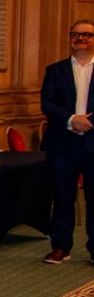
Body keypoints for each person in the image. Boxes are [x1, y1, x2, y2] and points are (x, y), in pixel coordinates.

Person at [40, 18, 94, 264]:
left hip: (93, 142)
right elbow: (47, 104)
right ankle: (60, 246)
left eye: (86, 34)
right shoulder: (55, 70)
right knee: (62, 197)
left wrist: (87, 122)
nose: (80, 38)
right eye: (75, 34)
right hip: (63, 144)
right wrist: (72, 119)